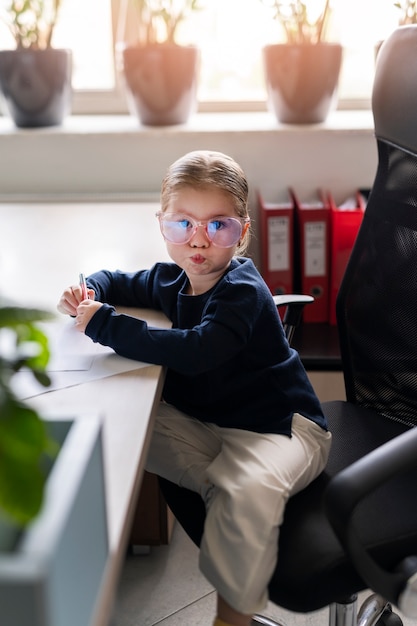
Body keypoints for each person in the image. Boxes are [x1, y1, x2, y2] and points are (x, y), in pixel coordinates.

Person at [57, 150, 332, 626]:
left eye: (218, 226)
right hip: (212, 424)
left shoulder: (241, 290)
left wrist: (107, 326)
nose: (198, 241)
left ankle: (232, 617)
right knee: (119, 421)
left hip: (280, 428)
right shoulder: (175, 279)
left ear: (242, 233)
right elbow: (121, 282)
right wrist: (88, 290)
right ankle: (227, 494)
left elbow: (196, 350)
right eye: (182, 225)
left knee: (242, 491)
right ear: (162, 224)